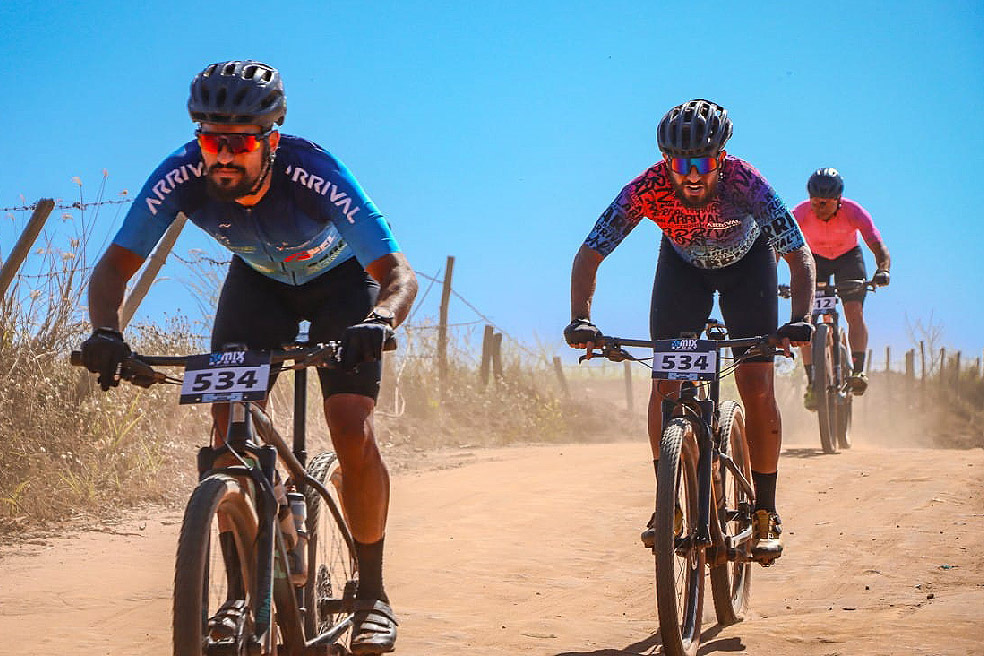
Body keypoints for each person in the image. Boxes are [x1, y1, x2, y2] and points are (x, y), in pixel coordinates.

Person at [79, 60, 416, 654]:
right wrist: (106, 333)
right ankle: (239, 593)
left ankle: (373, 594)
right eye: (211, 141)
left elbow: (396, 273)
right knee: (226, 422)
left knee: (350, 426)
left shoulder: (315, 173)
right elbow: (114, 267)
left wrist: (379, 321)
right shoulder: (181, 174)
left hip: (343, 288)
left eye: (239, 143)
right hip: (258, 286)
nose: (223, 156)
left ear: (272, 140)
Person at [564, 99, 815, 563]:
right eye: (681, 164)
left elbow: (798, 255)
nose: (691, 174)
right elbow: (590, 253)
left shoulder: (747, 182)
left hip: (748, 271)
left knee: (756, 386)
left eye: (702, 162)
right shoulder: (647, 187)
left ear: (721, 158)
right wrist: (582, 318)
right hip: (683, 273)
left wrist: (798, 318)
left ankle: (765, 511)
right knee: (665, 387)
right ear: (666, 163)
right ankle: (668, 507)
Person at [793, 168, 890, 408]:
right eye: (814, 202)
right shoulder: (800, 213)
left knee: (854, 312)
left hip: (848, 259)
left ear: (838, 200)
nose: (818, 208)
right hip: (816, 260)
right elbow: (776, 245)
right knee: (806, 322)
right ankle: (813, 382)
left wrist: (883, 270)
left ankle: (857, 371)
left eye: (824, 203)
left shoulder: (855, 212)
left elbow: (878, 247)